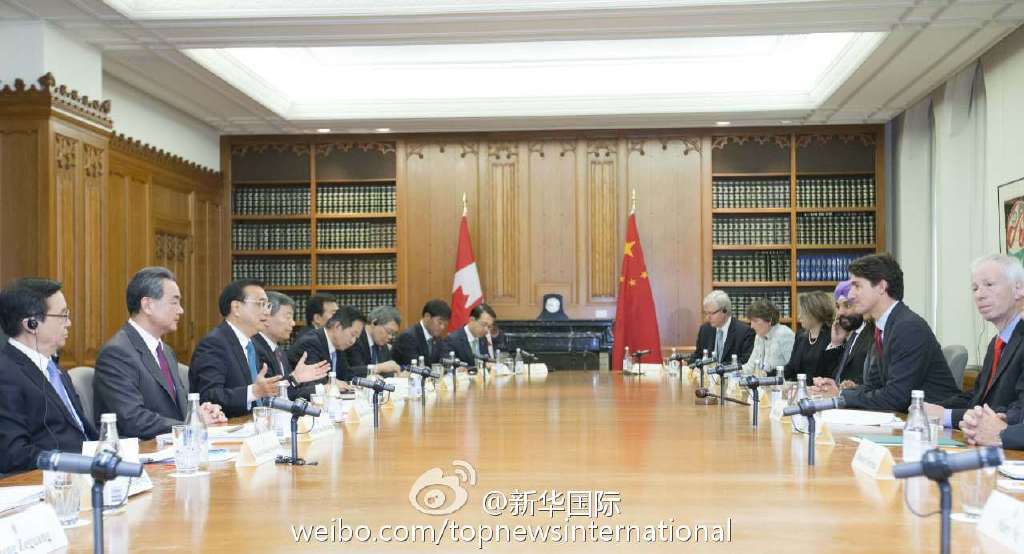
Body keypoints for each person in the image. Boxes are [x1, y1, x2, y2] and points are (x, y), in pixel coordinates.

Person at [811, 254, 961, 411]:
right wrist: (839, 391)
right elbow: (873, 386)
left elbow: (896, 397)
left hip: (933, 421)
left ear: (882, 287)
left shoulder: (908, 328)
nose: (850, 295)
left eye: (857, 286)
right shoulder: (883, 327)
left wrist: (843, 397)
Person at [94, 267, 226, 440]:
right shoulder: (116, 353)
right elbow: (132, 419)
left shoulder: (166, 351)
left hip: (172, 445)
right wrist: (189, 426)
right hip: (142, 450)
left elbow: (176, 409)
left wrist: (198, 414)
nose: (181, 310)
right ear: (148, 305)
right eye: (174, 302)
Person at [0, 278, 97, 473]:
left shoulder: (55, 369)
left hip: (90, 470)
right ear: (31, 324)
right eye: (62, 315)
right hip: (54, 479)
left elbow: (81, 432)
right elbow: (14, 455)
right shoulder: (5, 373)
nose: (69, 323)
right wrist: (76, 462)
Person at [926, 255, 1024, 428]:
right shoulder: (996, 343)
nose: (979, 295)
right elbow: (978, 397)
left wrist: (948, 416)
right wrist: (934, 409)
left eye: (989, 284)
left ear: (1018, 289)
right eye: (975, 288)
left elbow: (1018, 412)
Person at [189, 279, 284, 417]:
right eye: (260, 304)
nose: (266, 312)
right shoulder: (214, 343)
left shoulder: (253, 345)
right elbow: (209, 396)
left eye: (267, 305)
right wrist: (253, 392)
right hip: (227, 425)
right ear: (236, 308)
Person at [252, 291, 330, 400]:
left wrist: (300, 380)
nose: (293, 323)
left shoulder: (279, 351)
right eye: (288, 317)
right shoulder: (255, 349)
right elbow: (271, 394)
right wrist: (295, 379)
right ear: (267, 318)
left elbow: (291, 392)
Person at [816, 280, 874, 387]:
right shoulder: (852, 335)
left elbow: (872, 383)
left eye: (847, 305)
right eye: (838, 307)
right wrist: (836, 344)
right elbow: (837, 377)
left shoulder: (873, 335)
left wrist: (852, 387)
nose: (840, 313)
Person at [288, 305, 367, 383]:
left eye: (356, 338)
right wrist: (337, 383)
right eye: (353, 335)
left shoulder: (338, 346)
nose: (353, 341)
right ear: (337, 326)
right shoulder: (311, 343)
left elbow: (345, 374)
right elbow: (314, 380)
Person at [689, 290, 755, 365]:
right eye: (706, 313)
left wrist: (721, 368)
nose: (708, 317)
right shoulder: (705, 329)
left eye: (711, 313)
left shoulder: (745, 332)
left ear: (724, 311)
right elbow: (698, 355)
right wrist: (686, 362)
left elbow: (745, 361)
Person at [783, 291, 835, 381]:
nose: (799, 317)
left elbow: (832, 373)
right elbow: (791, 368)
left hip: (821, 388)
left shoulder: (832, 337)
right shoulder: (800, 335)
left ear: (816, 313)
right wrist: (768, 376)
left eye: (803, 313)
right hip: (799, 387)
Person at [740, 300, 794, 375]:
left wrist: (767, 375)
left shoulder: (784, 334)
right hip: (763, 381)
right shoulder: (759, 336)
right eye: (751, 321)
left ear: (769, 320)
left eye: (755, 321)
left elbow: (793, 368)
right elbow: (750, 367)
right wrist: (732, 372)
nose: (751, 326)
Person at [346, 306, 402, 376]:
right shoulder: (355, 338)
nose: (390, 337)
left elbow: (387, 371)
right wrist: (379, 367)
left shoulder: (382, 344)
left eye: (393, 333)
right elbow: (352, 372)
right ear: (374, 323)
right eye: (388, 331)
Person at [394, 299, 451, 366]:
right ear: (427, 316)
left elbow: (445, 359)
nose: (442, 327)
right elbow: (415, 367)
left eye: (445, 324)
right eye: (440, 322)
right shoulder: (408, 337)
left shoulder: (438, 338)